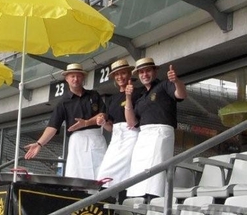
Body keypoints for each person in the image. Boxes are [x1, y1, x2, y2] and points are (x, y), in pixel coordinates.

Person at [24, 63, 108, 180]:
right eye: (72, 76)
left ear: (83, 77)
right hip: (77, 142)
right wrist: (39, 144)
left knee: (102, 174)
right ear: (66, 78)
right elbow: (53, 126)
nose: (75, 79)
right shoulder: (63, 102)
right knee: (77, 176)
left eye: (78, 76)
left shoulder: (94, 95)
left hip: (96, 138)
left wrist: (87, 122)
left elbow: (103, 114)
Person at [125, 57, 187, 200]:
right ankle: (138, 202)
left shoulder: (165, 85)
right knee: (139, 172)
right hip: (143, 136)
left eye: (147, 71)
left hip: (161, 132)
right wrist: (128, 97)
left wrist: (176, 81)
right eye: (141, 72)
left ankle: (154, 201)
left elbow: (181, 94)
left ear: (155, 71)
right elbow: (132, 122)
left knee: (156, 173)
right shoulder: (141, 96)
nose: (144, 75)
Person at [96, 59, 142, 188]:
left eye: (123, 73)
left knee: (126, 170)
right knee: (105, 171)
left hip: (132, 135)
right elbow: (110, 127)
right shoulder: (111, 98)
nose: (120, 77)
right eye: (117, 74)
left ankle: (122, 199)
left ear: (129, 74)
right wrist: (103, 122)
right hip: (116, 138)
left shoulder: (139, 92)